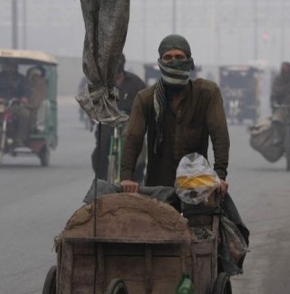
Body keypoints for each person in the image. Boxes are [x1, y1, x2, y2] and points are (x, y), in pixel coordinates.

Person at [119, 34, 230, 197]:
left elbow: (219, 135)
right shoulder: (146, 98)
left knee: (229, 220)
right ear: (160, 62)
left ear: (189, 61)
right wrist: (126, 178)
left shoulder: (207, 94)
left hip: (197, 186)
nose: (173, 61)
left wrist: (220, 176)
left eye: (179, 57)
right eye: (168, 57)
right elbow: (133, 138)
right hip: (158, 189)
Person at [91, 53, 147, 182]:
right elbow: (92, 101)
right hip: (108, 120)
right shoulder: (101, 84)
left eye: (118, 61)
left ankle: (135, 175)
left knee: (132, 138)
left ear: (123, 63)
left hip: (129, 120)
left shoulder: (136, 82)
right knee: (102, 142)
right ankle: (102, 178)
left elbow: (145, 101)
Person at [0, 60, 31, 147]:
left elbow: (27, 91)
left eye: (12, 66)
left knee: (25, 114)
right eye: (8, 66)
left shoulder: (21, 79)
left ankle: (20, 139)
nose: (10, 68)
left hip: (14, 105)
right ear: (5, 66)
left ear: (16, 67)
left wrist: (24, 98)